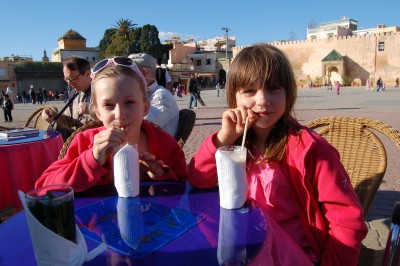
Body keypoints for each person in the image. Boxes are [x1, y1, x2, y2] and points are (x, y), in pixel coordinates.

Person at [188, 43, 367, 265]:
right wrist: (223, 139)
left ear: (288, 94)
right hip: (244, 249)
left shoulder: (311, 150)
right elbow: (197, 179)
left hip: (292, 255)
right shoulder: (236, 143)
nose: (263, 100)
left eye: (273, 88)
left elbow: (347, 221)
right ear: (234, 97)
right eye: (250, 91)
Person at [35, 56, 187, 192]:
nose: (120, 114)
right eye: (108, 105)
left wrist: (162, 175)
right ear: (98, 112)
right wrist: (91, 160)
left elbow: (186, 188)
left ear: (145, 108)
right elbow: (43, 187)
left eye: (129, 102)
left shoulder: (165, 144)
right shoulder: (84, 142)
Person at [41, 56, 94, 140]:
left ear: (87, 74)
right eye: (66, 80)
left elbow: (115, 117)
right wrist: (53, 116)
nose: (69, 84)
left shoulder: (102, 90)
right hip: (79, 140)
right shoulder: (74, 93)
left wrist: (91, 109)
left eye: (72, 79)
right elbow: (69, 120)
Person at [128, 53, 179, 137]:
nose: (123, 77)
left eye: (128, 73)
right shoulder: (144, 94)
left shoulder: (162, 96)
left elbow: (140, 128)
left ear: (144, 73)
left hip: (155, 148)